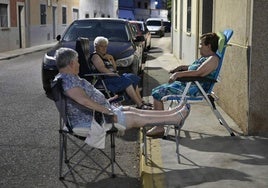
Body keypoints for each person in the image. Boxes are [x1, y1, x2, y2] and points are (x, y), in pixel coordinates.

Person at [54, 47, 190, 135]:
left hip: (97, 114)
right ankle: (174, 118)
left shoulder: (67, 78)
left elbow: (84, 101)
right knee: (135, 117)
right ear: (71, 63)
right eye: (77, 61)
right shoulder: (68, 81)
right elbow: (84, 101)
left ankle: (172, 113)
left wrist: (107, 103)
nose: (79, 64)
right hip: (94, 120)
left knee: (134, 110)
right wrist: (107, 111)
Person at [146, 32, 220, 137]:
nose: (199, 47)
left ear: (208, 46)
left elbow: (199, 73)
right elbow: (194, 68)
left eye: (201, 44)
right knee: (156, 91)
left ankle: (159, 127)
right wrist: (181, 68)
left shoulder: (213, 59)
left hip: (194, 88)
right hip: (188, 84)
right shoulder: (206, 58)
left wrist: (178, 74)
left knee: (157, 93)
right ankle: (177, 115)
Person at [90, 36, 152, 109]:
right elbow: (102, 69)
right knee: (127, 81)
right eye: (101, 46)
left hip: (112, 77)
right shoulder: (96, 56)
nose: (104, 48)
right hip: (106, 80)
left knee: (132, 77)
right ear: (96, 46)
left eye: (105, 46)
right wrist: (114, 74)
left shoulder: (105, 56)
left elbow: (115, 68)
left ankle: (141, 101)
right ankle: (139, 105)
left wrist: (111, 59)